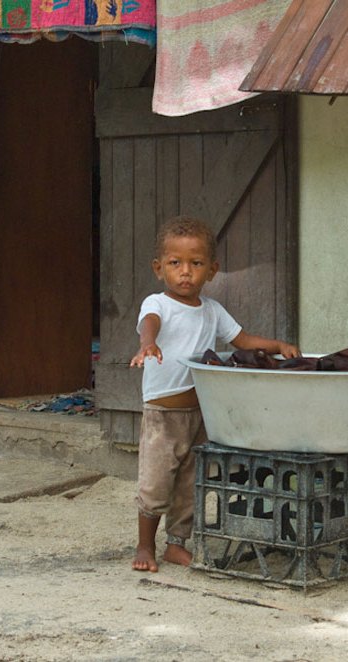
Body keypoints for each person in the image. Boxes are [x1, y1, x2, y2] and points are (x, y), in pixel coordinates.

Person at [129, 216, 300, 572]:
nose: (186, 272)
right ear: (159, 268)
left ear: (212, 270)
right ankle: (145, 545)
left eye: (196, 263)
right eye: (176, 263)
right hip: (163, 415)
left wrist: (278, 345)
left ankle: (176, 544)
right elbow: (150, 324)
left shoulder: (213, 310)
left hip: (199, 414)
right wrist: (148, 344)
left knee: (189, 483)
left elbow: (243, 340)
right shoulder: (158, 304)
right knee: (157, 481)